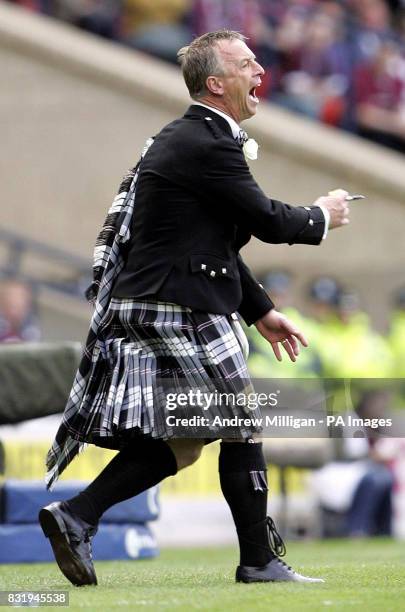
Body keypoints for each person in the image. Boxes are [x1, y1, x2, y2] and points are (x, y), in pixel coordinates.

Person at [39, 29, 350, 587]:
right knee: (240, 423)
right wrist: (321, 215)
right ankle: (258, 562)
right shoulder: (206, 143)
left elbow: (214, 244)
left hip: (159, 299)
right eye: (248, 65)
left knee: (187, 437)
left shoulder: (190, 138)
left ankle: (78, 515)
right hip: (177, 305)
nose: (261, 73)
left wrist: (259, 311)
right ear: (216, 83)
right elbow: (271, 221)